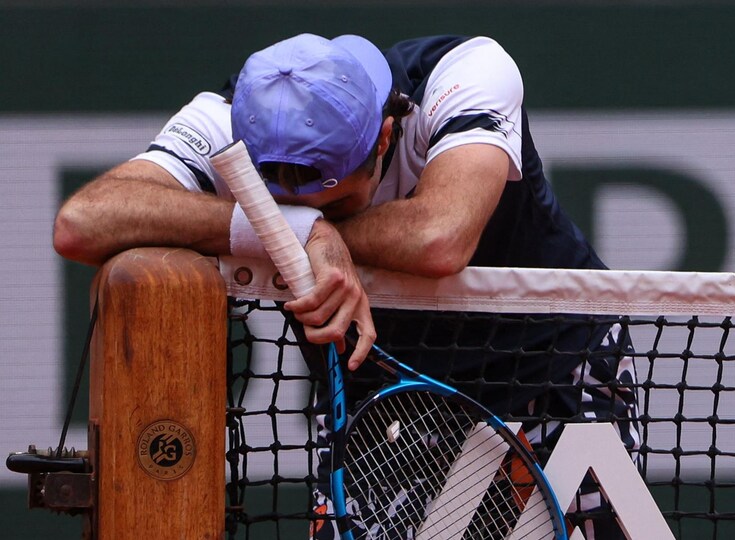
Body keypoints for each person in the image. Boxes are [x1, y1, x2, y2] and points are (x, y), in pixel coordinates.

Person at [54, 33, 640, 538]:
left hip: (550, 368)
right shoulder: (226, 117)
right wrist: (299, 228)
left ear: (384, 139)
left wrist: (303, 230)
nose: (306, 209)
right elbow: (82, 223)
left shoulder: (467, 73)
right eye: (278, 197)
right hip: (378, 400)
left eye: (335, 199)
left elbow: (441, 236)